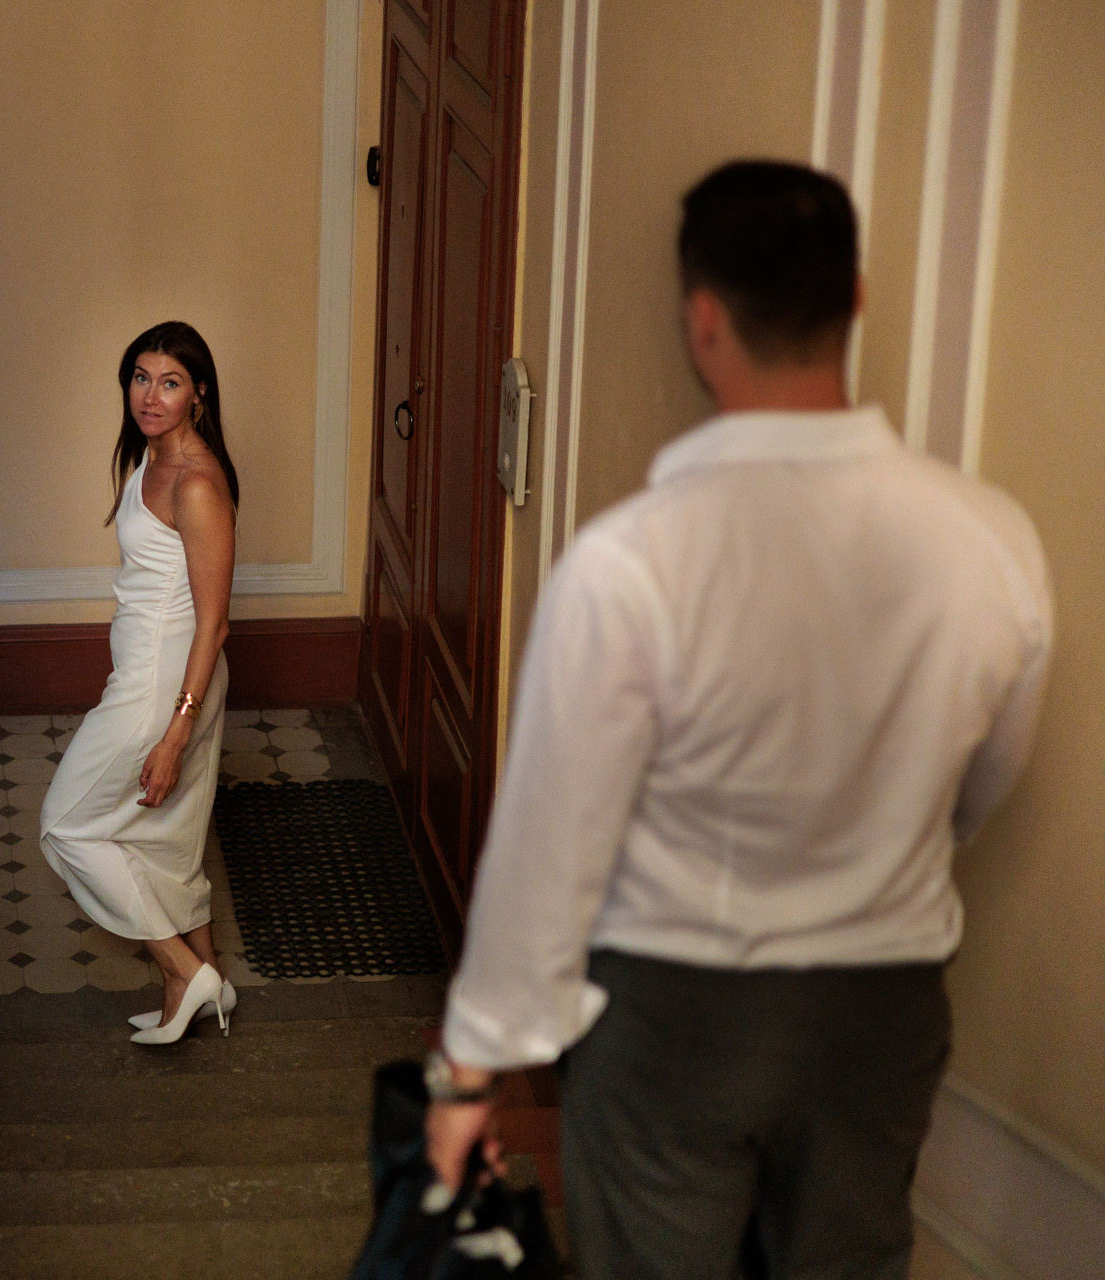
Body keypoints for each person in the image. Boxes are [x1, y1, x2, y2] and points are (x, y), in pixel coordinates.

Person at [422, 161, 1053, 1278]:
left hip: (676, 1016)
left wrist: (472, 1068)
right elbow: (983, 780)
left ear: (702, 318)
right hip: (882, 1010)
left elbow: (551, 841)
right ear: (854, 299)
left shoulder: (631, 562)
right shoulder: (991, 538)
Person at [39, 320, 241, 1045]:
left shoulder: (197, 483)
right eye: (140, 378)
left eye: (170, 382)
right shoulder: (151, 458)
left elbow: (214, 623)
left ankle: (183, 970)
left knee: (64, 826)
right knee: (169, 841)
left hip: (166, 688)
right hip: (153, 675)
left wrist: (176, 728)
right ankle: (203, 985)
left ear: (199, 395)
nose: (150, 396)